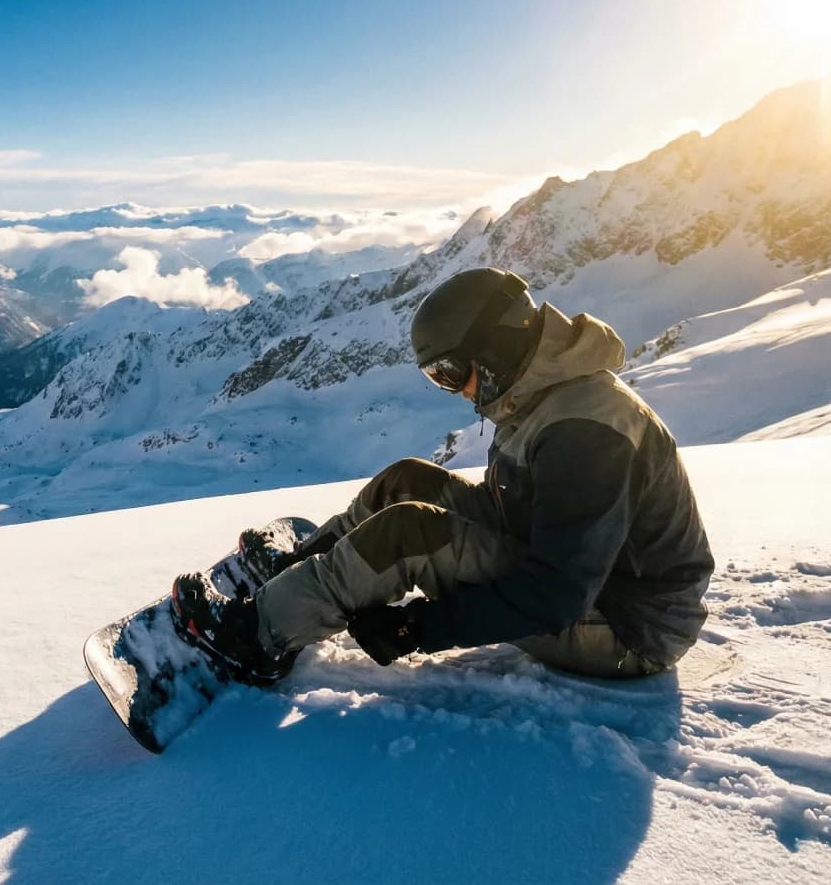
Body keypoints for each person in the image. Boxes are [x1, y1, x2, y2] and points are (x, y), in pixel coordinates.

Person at [171, 267, 714, 684]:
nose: (456, 391)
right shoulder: (541, 393)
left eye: (452, 372)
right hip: (577, 576)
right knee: (408, 480)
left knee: (409, 533)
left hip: (625, 626)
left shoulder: (588, 431)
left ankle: (254, 638)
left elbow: (558, 593)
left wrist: (417, 627)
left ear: (498, 350)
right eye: (438, 378)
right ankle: (300, 573)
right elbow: (528, 515)